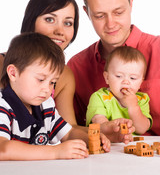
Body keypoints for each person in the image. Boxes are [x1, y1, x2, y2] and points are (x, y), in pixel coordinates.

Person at [67, 0, 160, 136]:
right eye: (99, 15)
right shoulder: (76, 67)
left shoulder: (158, 49)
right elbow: (65, 128)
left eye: (118, 12)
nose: (110, 24)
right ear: (87, 13)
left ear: (131, 4)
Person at [0, 32, 110, 160]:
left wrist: (91, 139)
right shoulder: (3, 106)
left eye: (52, 82)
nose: (47, 89)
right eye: (40, 80)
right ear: (13, 73)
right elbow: (2, 149)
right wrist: (55, 152)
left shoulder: (45, 105)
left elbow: (68, 134)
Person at [0, 0, 79, 125]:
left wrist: (106, 132)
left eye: (68, 23)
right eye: (49, 19)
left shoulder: (65, 75)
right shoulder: (2, 63)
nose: (60, 31)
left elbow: (68, 128)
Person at [86, 46, 152, 135]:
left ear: (141, 82)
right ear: (107, 77)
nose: (126, 82)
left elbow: (142, 129)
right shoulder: (99, 97)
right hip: (109, 145)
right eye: (119, 76)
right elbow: (98, 124)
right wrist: (115, 129)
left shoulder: (142, 99)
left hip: (133, 146)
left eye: (133, 78)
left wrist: (134, 107)